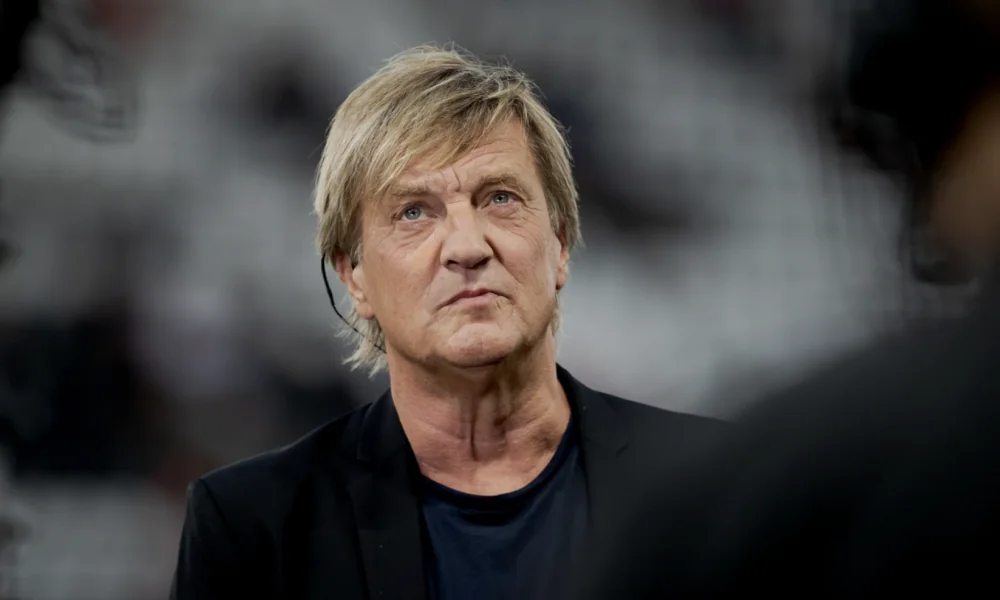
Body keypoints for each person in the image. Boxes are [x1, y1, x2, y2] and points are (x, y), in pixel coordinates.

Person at [169, 44, 724, 600]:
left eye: (500, 198)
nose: (466, 247)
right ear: (354, 276)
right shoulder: (253, 527)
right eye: (413, 212)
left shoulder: (713, 486)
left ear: (559, 245)